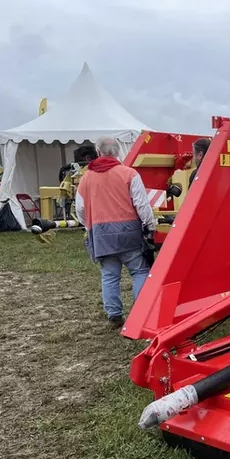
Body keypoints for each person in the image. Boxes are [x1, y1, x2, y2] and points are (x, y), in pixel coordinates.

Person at [76, 136, 157, 328]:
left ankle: (114, 315)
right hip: (129, 231)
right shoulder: (129, 174)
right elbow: (142, 205)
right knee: (139, 271)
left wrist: (90, 225)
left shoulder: (86, 177)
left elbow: (80, 208)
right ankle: (142, 313)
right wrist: (149, 226)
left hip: (101, 233)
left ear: (98, 151)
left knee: (110, 275)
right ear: (117, 151)